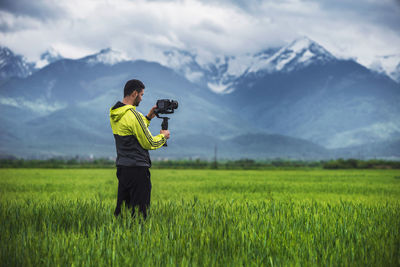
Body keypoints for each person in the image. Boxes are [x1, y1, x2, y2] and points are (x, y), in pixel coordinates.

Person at [109, 79, 170, 219]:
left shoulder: (115, 113)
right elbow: (149, 142)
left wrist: (148, 117)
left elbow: (133, 131)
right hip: (138, 169)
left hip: (123, 167)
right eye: (141, 95)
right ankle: (138, 238)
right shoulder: (134, 115)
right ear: (134, 93)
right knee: (140, 214)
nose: (141, 98)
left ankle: (119, 238)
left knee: (123, 212)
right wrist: (163, 137)